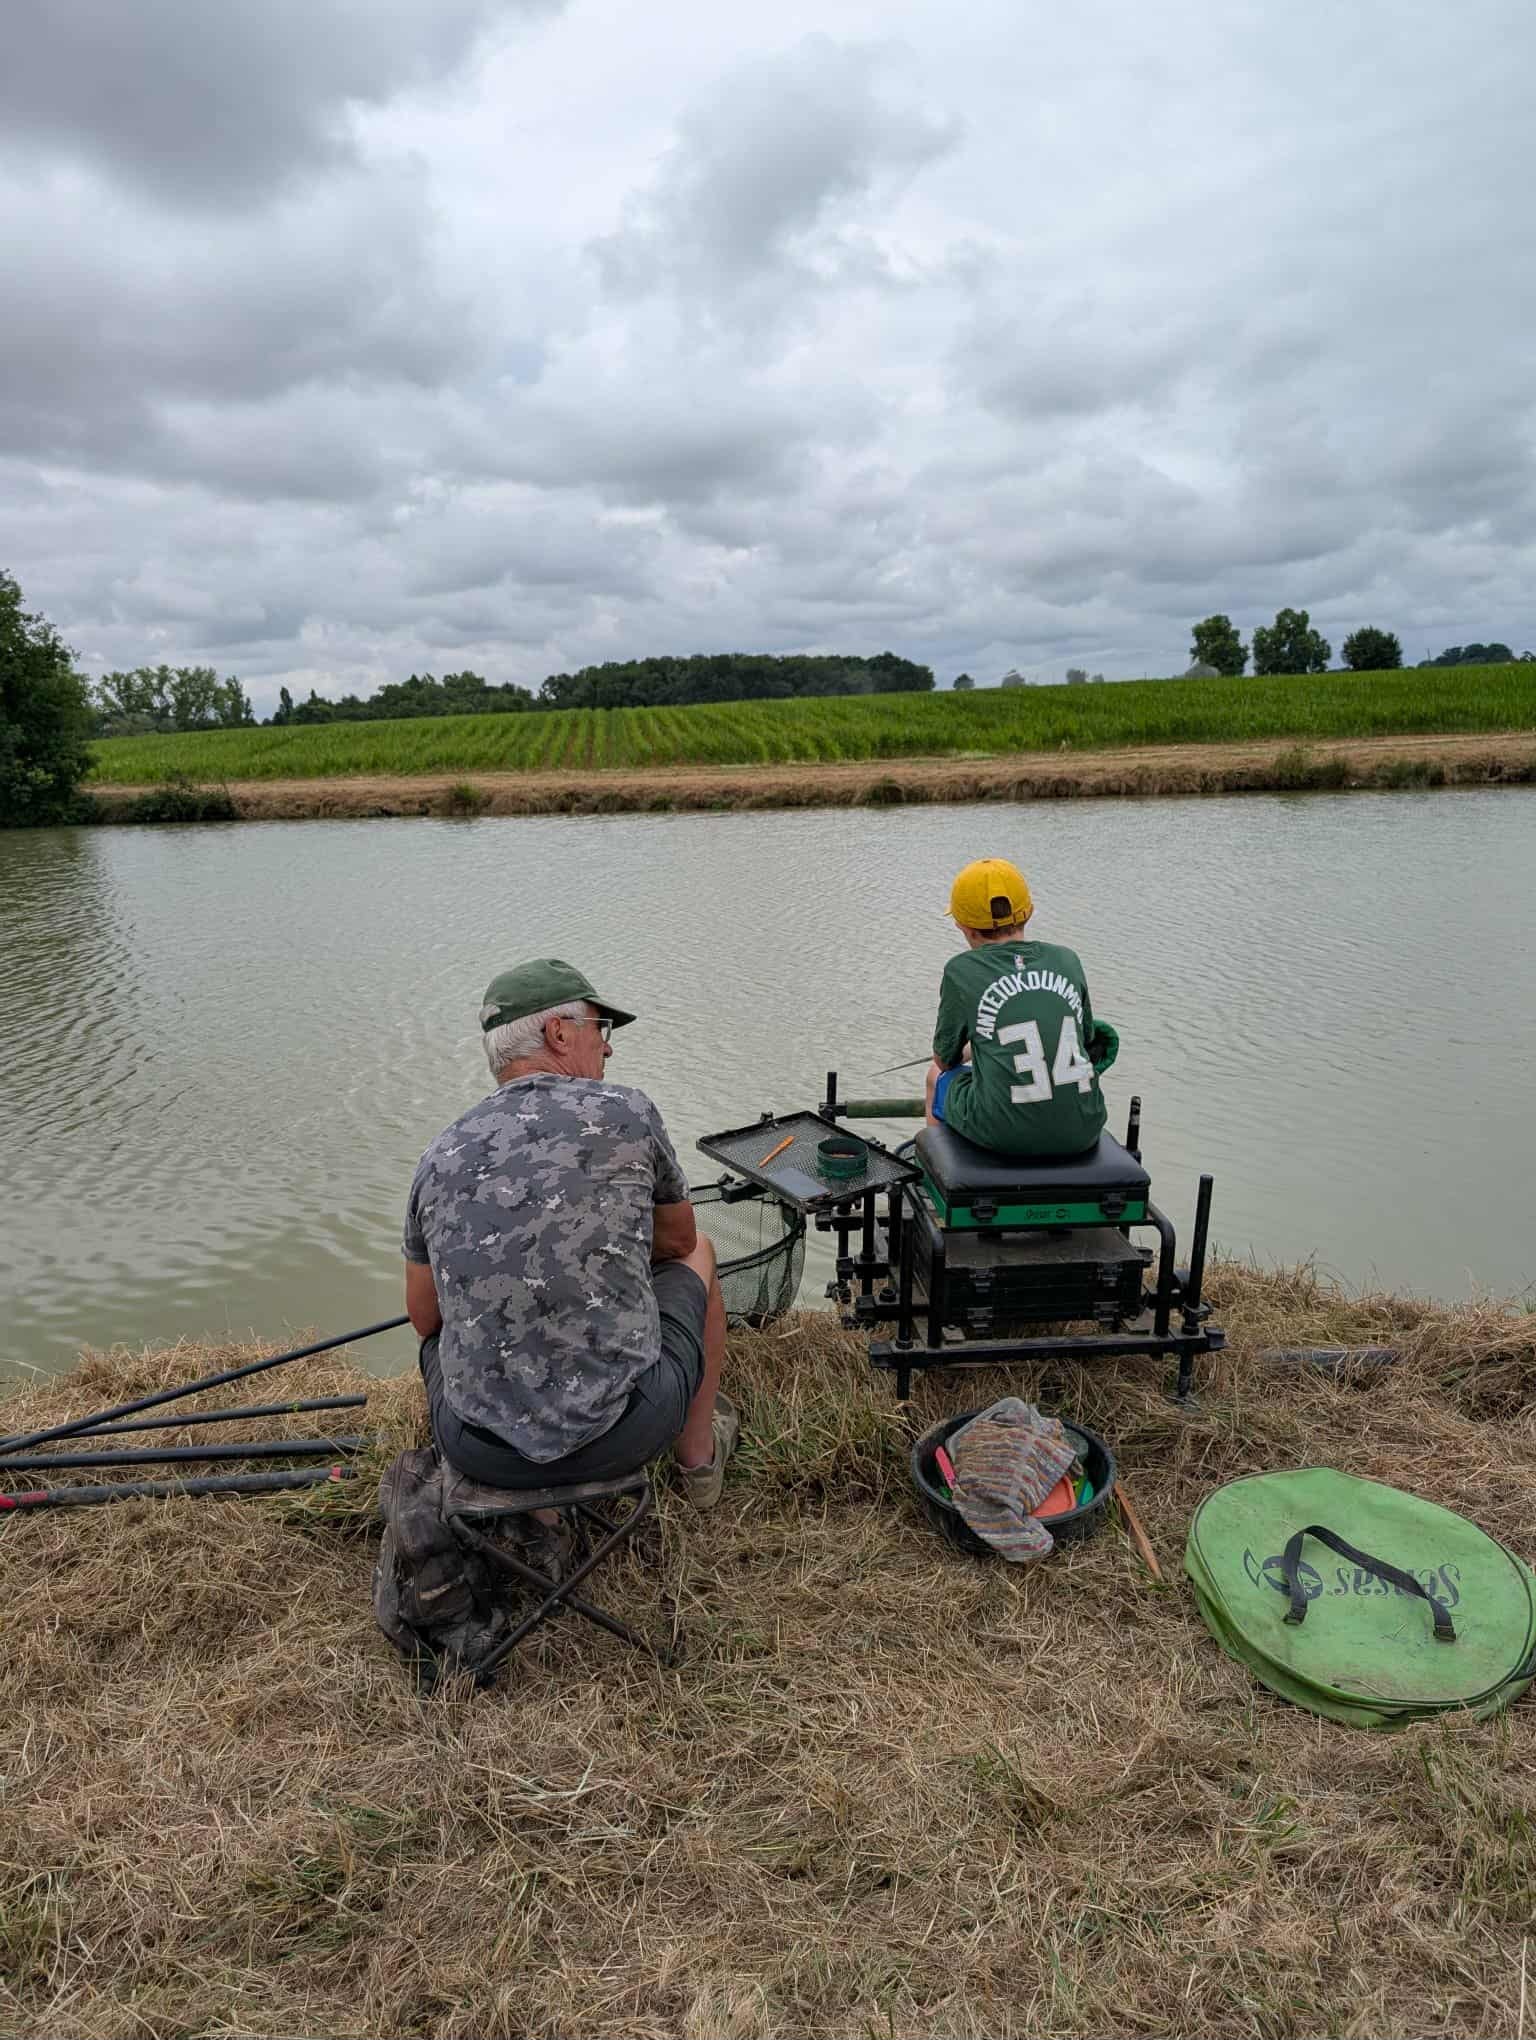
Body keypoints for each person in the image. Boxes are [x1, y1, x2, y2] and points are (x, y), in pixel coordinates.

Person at [402, 959, 737, 1508]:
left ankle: (521, 1498)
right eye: (599, 1031)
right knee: (701, 1251)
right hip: (623, 1436)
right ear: (559, 1033)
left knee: (438, 1335)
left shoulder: (439, 1153)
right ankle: (698, 1462)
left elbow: (424, 1316)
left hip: (478, 1451)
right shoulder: (627, 1111)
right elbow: (677, 1242)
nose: (608, 1049)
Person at [926, 857, 1109, 1157]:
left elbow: (944, 1060)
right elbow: (1085, 1041)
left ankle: (937, 1170)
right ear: (1030, 912)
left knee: (934, 1077)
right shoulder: (1067, 960)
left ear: (964, 927)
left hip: (1002, 1135)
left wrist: (973, 1047)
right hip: (1085, 1129)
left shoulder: (961, 971)